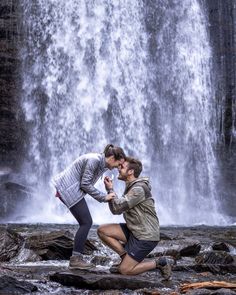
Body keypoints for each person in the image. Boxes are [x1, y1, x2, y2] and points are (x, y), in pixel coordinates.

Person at [52, 144, 126, 269]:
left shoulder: (101, 163)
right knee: (86, 222)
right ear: (112, 157)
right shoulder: (94, 160)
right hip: (68, 189)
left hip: (69, 188)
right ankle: (76, 259)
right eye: (119, 164)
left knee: (85, 222)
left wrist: (109, 188)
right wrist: (103, 197)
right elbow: (85, 184)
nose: (118, 168)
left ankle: (77, 258)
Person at [97, 157, 172, 279]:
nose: (118, 168)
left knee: (125, 270)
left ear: (131, 171)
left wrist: (110, 189)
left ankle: (160, 263)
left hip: (146, 236)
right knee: (102, 230)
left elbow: (117, 208)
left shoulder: (138, 189)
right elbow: (115, 210)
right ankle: (125, 257)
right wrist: (109, 190)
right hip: (135, 230)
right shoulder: (131, 187)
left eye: (122, 167)